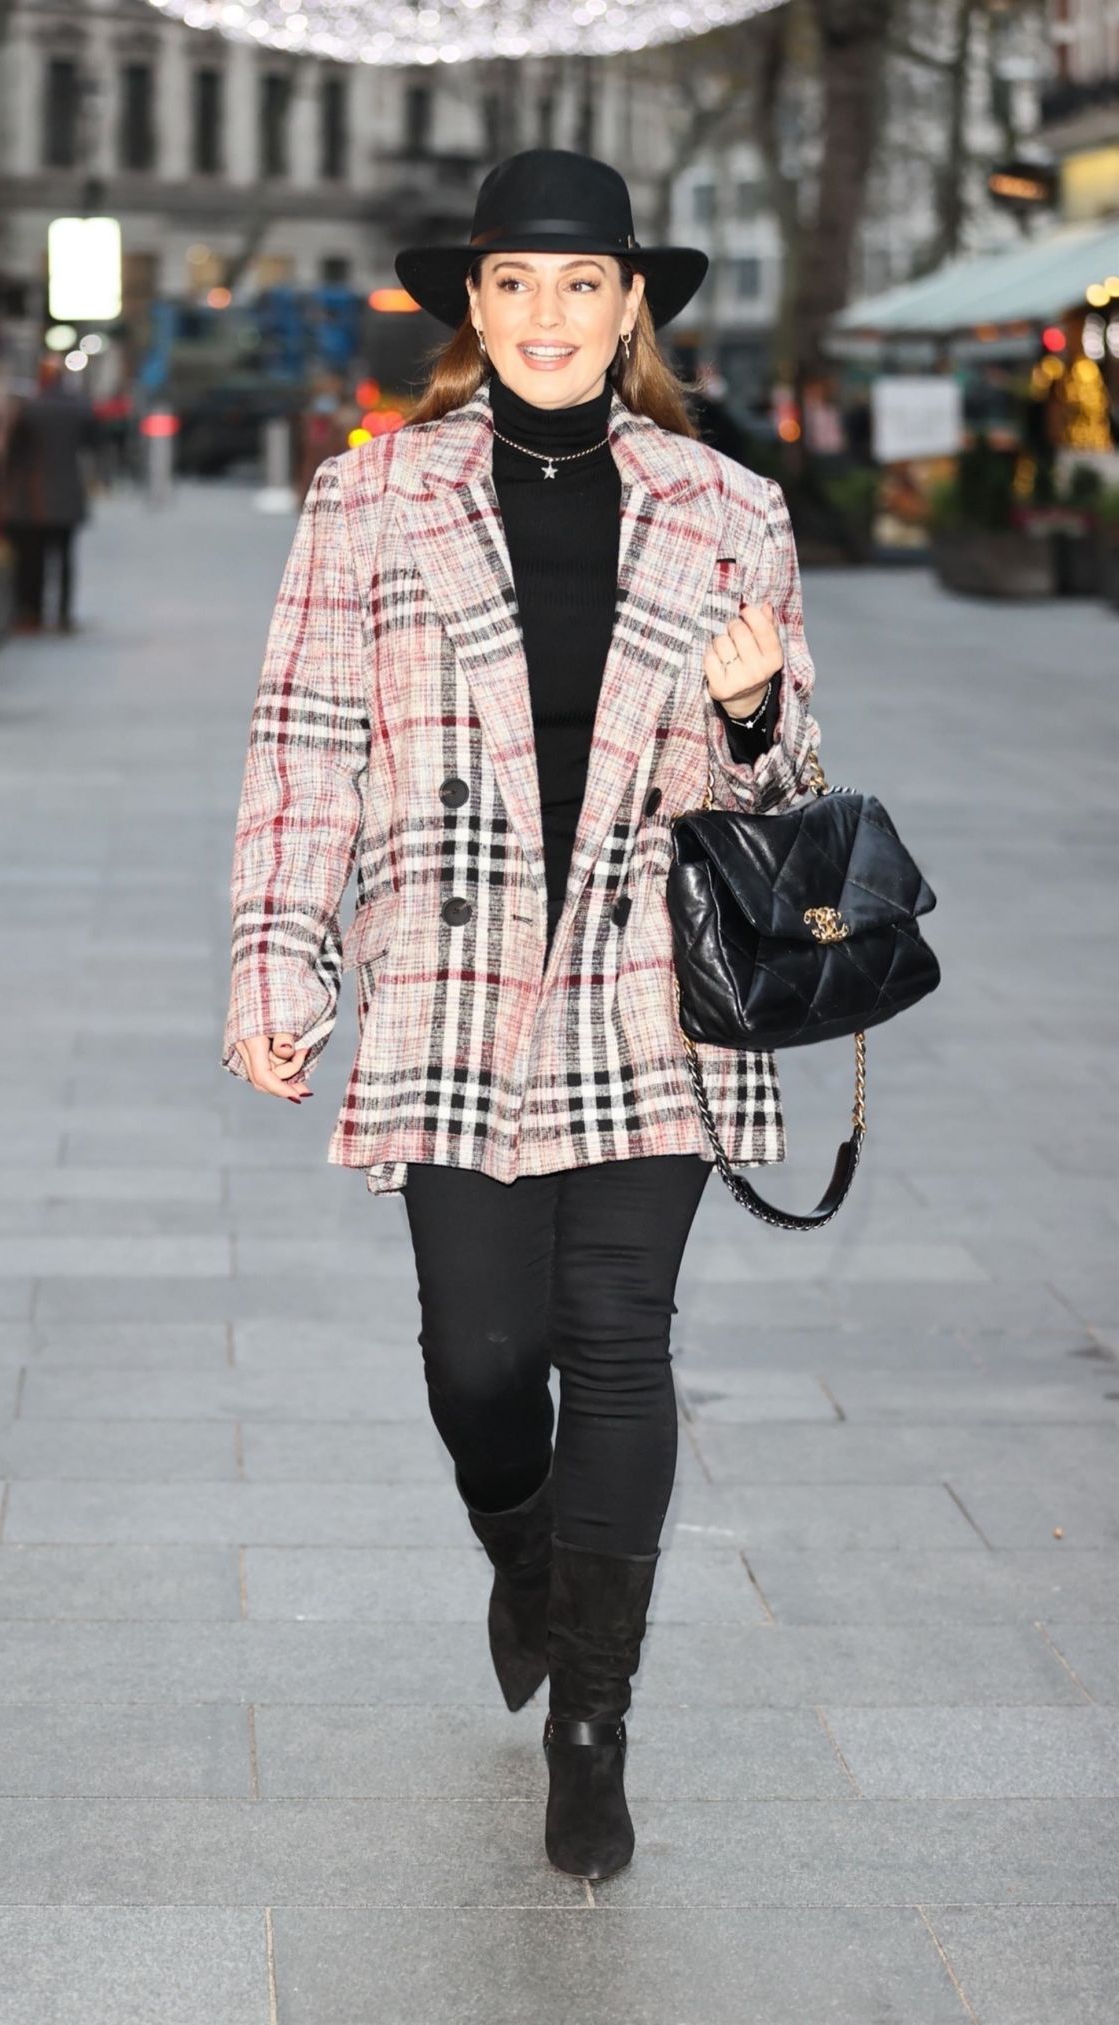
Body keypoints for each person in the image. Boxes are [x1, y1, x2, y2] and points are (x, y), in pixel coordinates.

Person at [221, 150, 821, 1883]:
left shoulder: (731, 508)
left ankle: (592, 1718)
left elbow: (789, 794)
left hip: (654, 988)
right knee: (484, 1360)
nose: (550, 317)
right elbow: (301, 753)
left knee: (619, 1337)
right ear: (469, 309)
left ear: (633, 305)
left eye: (584, 286)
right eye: (515, 285)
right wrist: (283, 966)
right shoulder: (371, 502)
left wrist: (760, 703)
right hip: (455, 980)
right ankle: (530, 1547)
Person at [3, 357, 93, 632]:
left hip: (35, 494)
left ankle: (34, 613)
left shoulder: (30, 409)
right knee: (64, 556)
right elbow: (92, 442)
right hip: (68, 490)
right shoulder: (78, 408)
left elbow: (14, 453)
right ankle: (64, 614)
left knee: (35, 558)